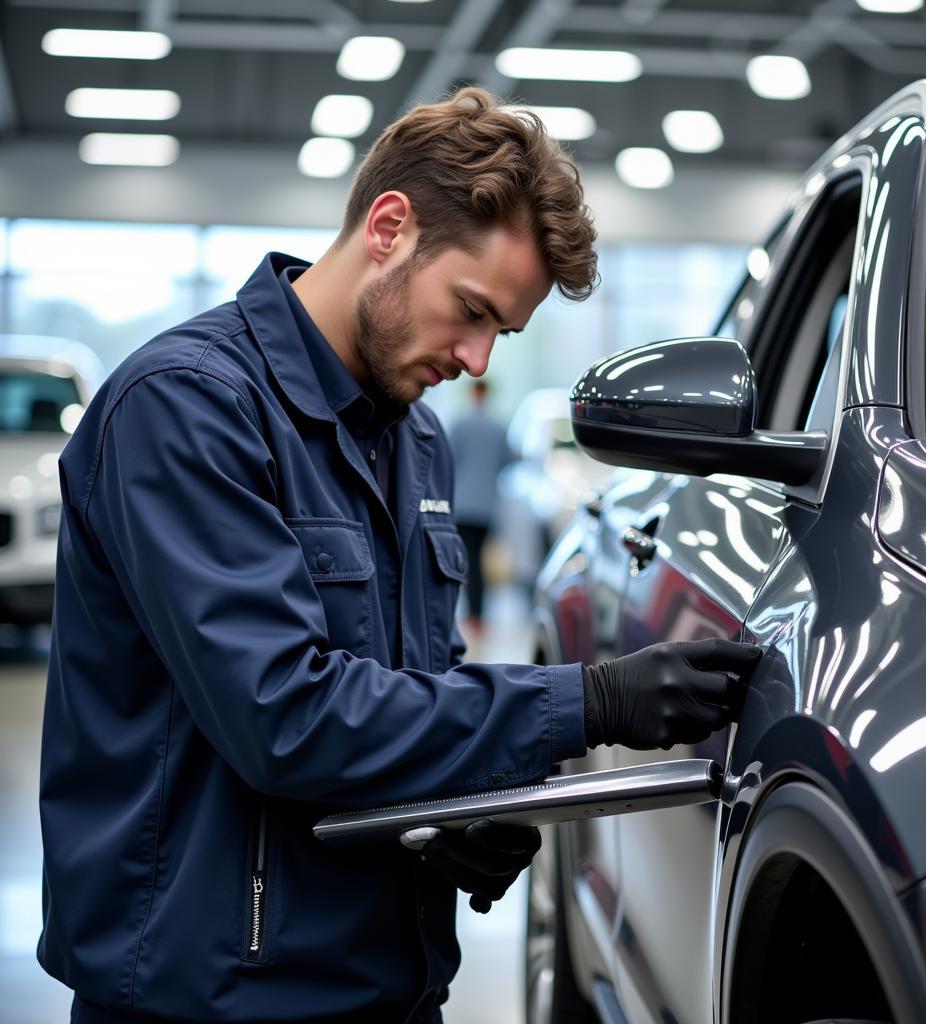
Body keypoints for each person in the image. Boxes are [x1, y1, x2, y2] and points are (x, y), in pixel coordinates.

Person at [37, 87, 762, 1024]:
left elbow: (413, 681)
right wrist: (591, 700)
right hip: (216, 997)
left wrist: (447, 817)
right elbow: (286, 714)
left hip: (390, 987)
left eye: (502, 331)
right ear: (388, 226)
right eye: (471, 309)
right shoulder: (186, 410)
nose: (478, 361)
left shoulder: (417, 443)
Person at [449, 379, 511, 633]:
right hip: (487, 505)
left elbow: (448, 459)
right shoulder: (498, 428)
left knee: (462, 560)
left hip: (462, 505)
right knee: (477, 561)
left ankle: (465, 614)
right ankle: (478, 615)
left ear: (472, 393)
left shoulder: (459, 425)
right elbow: (505, 463)